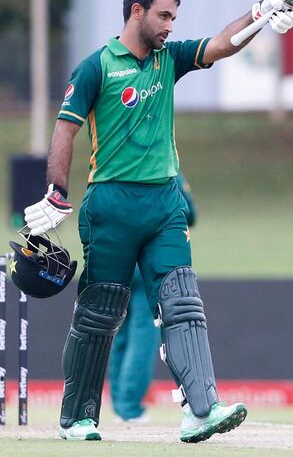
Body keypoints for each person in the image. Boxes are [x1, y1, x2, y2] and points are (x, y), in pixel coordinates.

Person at [23, 0, 293, 444]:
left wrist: (259, 17)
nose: (171, 27)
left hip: (164, 203)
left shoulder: (167, 60)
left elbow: (218, 45)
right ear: (137, 11)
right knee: (99, 314)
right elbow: (64, 132)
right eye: (164, 16)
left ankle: (200, 409)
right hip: (110, 204)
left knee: (182, 303)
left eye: (174, 18)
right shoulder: (96, 68)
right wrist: (55, 192)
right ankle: (77, 418)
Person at [108, 173, 196, 423]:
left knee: (119, 334)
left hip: (114, 260)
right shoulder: (165, 169)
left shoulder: (113, 167)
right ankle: (129, 409)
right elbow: (189, 213)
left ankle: (120, 405)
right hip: (145, 263)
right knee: (143, 335)